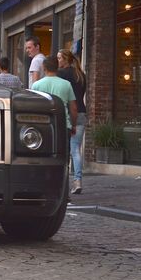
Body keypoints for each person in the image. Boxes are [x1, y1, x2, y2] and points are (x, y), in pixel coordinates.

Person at [31, 56, 77, 170]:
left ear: (44, 67)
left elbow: (34, 108)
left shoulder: (36, 85)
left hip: (42, 126)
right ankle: (63, 180)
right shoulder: (66, 84)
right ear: (57, 68)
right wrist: (73, 125)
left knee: (43, 155)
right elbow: (73, 108)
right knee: (63, 157)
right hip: (63, 125)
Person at [58, 48, 87, 195]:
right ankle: (77, 181)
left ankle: (74, 180)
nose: (58, 61)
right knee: (76, 148)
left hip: (69, 114)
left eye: (59, 58)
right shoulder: (81, 74)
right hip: (82, 113)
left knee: (70, 150)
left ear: (65, 59)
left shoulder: (62, 74)